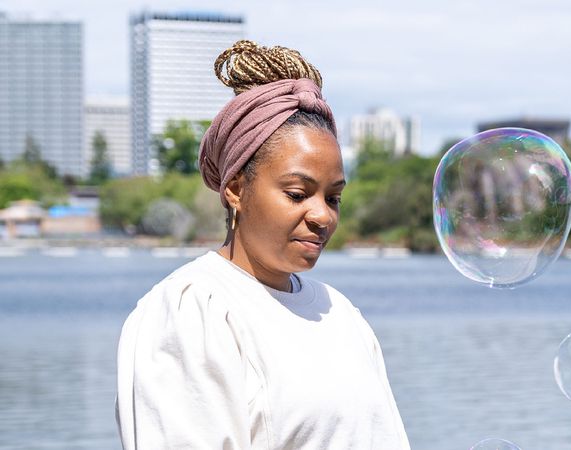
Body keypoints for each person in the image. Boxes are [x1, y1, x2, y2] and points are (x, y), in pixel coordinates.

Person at [115, 40, 410, 449]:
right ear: (236, 189)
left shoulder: (340, 314)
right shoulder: (194, 311)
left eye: (333, 197)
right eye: (296, 193)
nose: (322, 215)